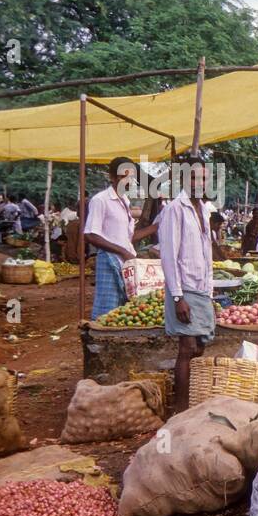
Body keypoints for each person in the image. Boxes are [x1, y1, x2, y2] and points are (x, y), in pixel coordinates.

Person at [158, 159, 215, 416]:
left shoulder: (203, 209)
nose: (198, 184)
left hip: (201, 287)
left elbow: (207, 253)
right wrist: (178, 296)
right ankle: (180, 410)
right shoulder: (174, 209)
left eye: (203, 179)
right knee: (187, 348)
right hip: (184, 288)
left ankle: (189, 400)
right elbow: (169, 255)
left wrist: (211, 292)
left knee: (200, 346)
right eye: (193, 178)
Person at [85, 157, 146, 319]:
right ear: (112, 177)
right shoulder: (101, 200)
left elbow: (127, 237)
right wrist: (122, 251)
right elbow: (90, 234)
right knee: (106, 308)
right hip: (109, 260)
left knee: (123, 307)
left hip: (124, 263)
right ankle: (97, 342)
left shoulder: (125, 200)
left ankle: (114, 341)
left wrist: (156, 226)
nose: (127, 181)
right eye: (122, 176)